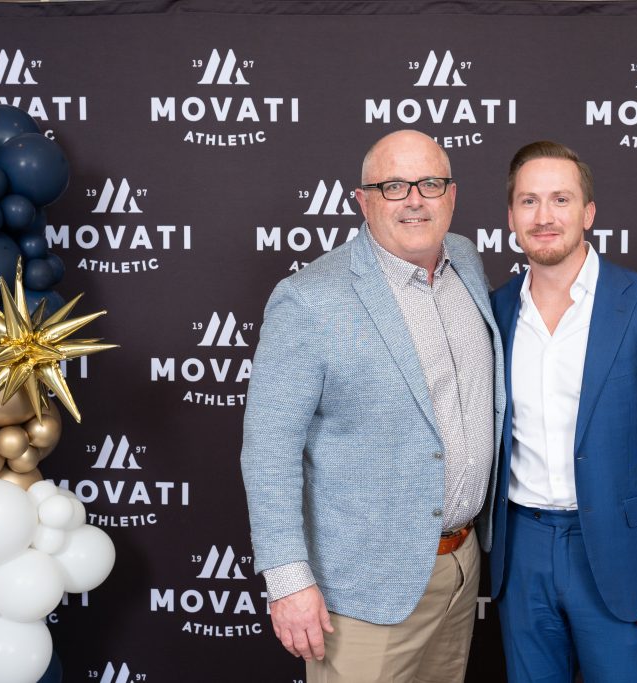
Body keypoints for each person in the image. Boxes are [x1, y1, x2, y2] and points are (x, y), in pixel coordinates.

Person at [241, 129, 504, 683]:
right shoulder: (310, 299)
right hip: (362, 589)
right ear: (363, 200)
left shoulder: (464, 260)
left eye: (430, 184)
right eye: (393, 186)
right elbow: (269, 450)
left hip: (461, 569)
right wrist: (288, 581)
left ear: (452, 195)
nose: (415, 200)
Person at [488, 141, 637, 682]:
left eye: (561, 199)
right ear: (511, 219)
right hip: (521, 552)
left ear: (588, 213)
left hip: (622, 556)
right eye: (529, 201)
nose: (544, 217)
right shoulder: (495, 310)